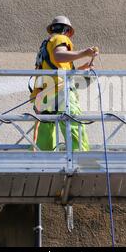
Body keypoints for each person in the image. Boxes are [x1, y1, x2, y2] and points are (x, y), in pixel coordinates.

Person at [31, 16, 98, 151]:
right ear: (67, 30)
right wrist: (84, 53)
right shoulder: (60, 39)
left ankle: (43, 162)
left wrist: (81, 68)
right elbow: (59, 55)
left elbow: (58, 70)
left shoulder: (46, 45)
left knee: (46, 129)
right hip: (61, 92)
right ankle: (82, 160)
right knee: (73, 123)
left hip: (44, 94)